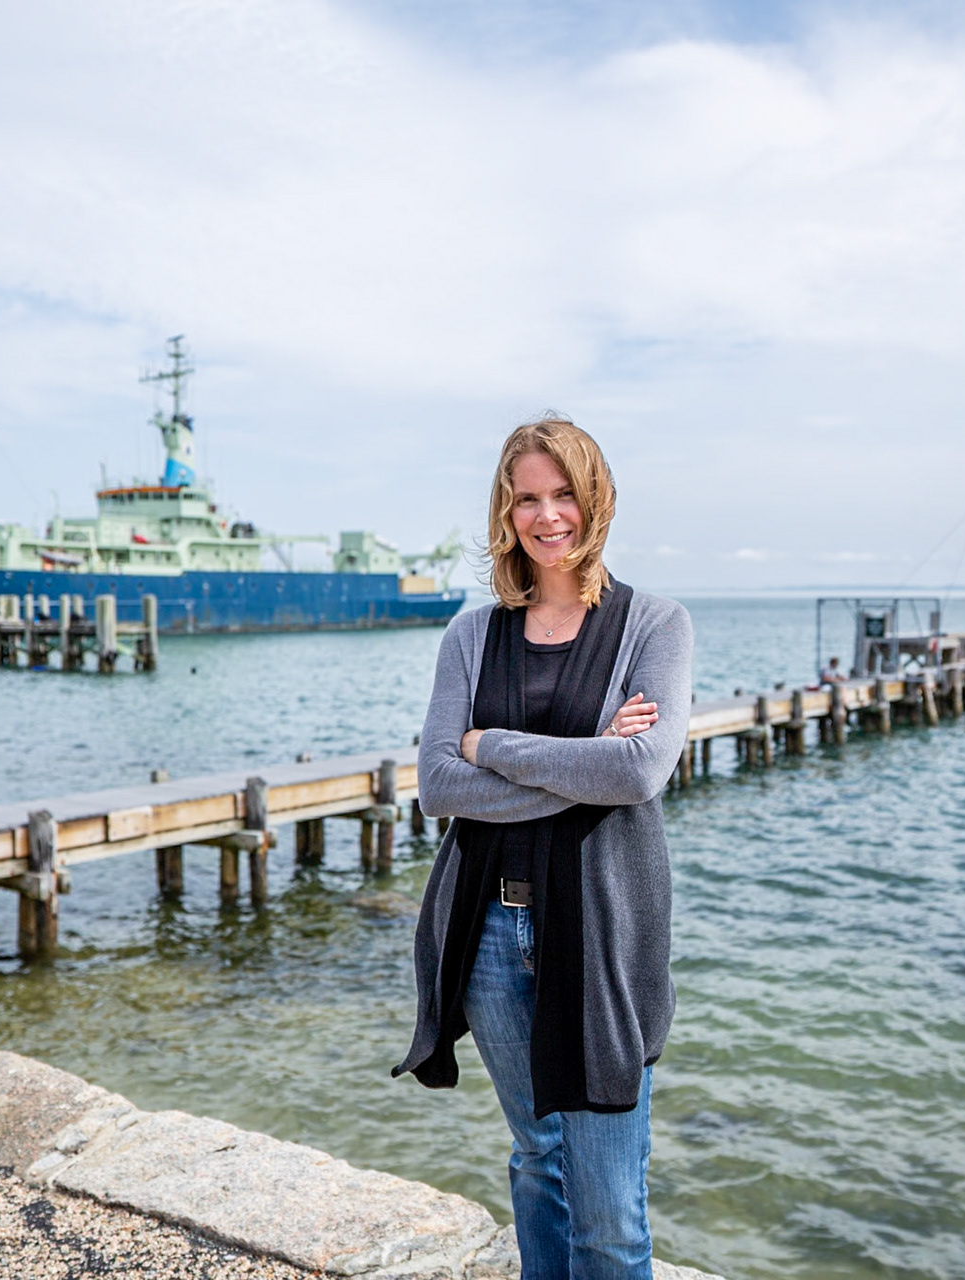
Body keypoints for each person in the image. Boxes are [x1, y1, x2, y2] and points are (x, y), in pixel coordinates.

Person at [396, 416, 692, 1279]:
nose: (548, 515)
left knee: (610, 1219)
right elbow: (438, 788)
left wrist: (491, 743)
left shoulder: (654, 627)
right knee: (536, 1158)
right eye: (527, 497)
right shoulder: (471, 635)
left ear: (595, 499)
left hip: (600, 936)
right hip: (485, 933)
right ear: (505, 510)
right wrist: (583, 755)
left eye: (564, 493)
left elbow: (639, 772)